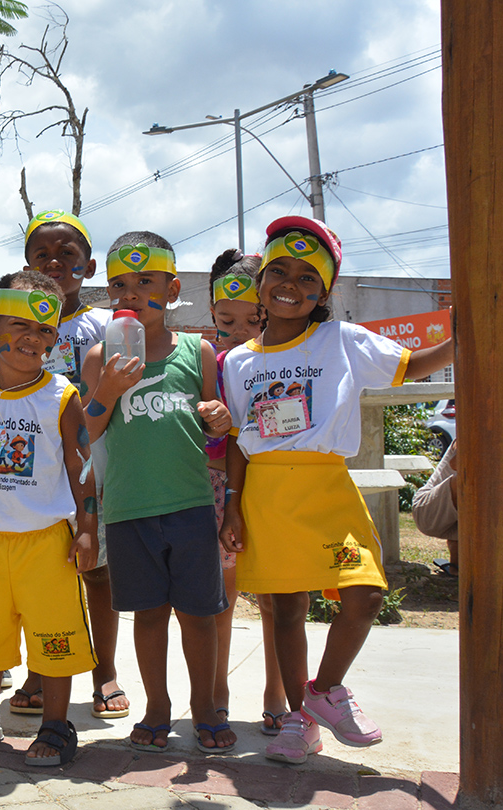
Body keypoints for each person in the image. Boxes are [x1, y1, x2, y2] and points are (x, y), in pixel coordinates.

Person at [220, 216, 454, 764]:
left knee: (365, 593)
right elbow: (236, 441)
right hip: (267, 496)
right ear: (260, 282)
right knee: (285, 608)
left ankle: (325, 691)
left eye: (308, 277)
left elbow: (411, 366)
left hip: (327, 489)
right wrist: (232, 507)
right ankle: (299, 723)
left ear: (324, 293)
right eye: (279, 271)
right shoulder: (237, 362)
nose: (290, 284)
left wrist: (459, 337)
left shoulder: (341, 340)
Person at [81, 232, 235, 754]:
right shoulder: (100, 356)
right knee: (148, 615)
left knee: (199, 615)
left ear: (171, 290)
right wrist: (107, 390)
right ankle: (157, 708)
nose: (131, 294)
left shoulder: (198, 351)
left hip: (190, 503)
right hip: (128, 509)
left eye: (145, 282)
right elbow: (86, 433)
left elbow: (214, 428)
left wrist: (218, 418)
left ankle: (206, 708)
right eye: (120, 285)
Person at [0, 272, 98, 767]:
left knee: (54, 635)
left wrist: (88, 529)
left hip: (44, 542)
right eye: (20, 326)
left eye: (44, 329)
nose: (33, 338)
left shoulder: (61, 396)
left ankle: (56, 724)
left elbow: (81, 466)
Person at [23, 210, 129, 721]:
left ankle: (104, 670)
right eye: (42, 253)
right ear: (27, 265)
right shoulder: (18, 327)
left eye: (67, 253)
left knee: (98, 571)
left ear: (88, 266)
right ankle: (39, 669)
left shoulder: (105, 326)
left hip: (94, 469)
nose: (54, 261)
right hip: (33, 473)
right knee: (39, 575)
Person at [205, 249, 290, 737]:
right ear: (213, 315)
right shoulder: (208, 365)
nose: (239, 331)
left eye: (252, 320)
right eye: (226, 321)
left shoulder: (286, 363)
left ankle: (278, 692)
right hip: (219, 491)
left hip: (274, 488)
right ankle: (217, 691)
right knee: (223, 596)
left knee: (278, 598)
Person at [412, 439, 459, 576]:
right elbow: (457, 463)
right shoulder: (475, 433)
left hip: (456, 520)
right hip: (427, 510)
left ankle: (459, 566)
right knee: (468, 479)